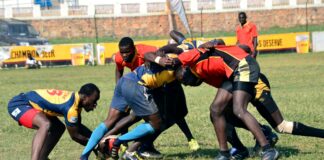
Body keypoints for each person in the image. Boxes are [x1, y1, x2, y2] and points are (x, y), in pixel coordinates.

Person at [164, 44, 279, 160]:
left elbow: (183, 53)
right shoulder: (204, 75)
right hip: (232, 76)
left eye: (183, 80)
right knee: (217, 111)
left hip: (241, 67)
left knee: (238, 110)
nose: (186, 84)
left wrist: (160, 58)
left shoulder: (190, 59)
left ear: (184, 68)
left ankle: (268, 148)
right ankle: (231, 151)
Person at [114, 37, 199, 154]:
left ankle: (141, 145)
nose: (124, 55)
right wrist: (119, 91)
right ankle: (123, 143)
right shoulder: (119, 56)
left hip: (161, 83)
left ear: (133, 49)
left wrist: (159, 58)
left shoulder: (146, 51)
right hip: (142, 85)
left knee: (170, 115)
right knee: (149, 118)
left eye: (126, 52)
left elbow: (161, 50)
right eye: (122, 52)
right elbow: (119, 70)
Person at [7, 83, 100, 160]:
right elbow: (75, 136)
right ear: (85, 97)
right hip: (19, 104)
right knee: (45, 124)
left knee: (58, 128)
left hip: (29, 103)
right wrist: (96, 146)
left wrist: (98, 139)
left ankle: (41, 158)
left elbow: (78, 128)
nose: (95, 105)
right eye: (94, 101)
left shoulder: (75, 100)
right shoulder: (71, 108)